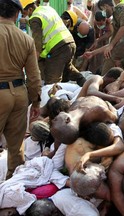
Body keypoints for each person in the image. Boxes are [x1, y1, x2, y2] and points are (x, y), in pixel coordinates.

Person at [0, 0, 42, 179]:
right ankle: (13, 188)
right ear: (17, 14)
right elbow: (34, 75)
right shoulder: (26, 39)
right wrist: (36, 102)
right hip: (19, 94)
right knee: (16, 148)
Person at [20, 0, 86, 86]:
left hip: (58, 47)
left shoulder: (35, 18)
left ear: (30, 9)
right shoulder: (46, 9)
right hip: (69, 42)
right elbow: (44, 24)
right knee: (67, 69)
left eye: (23, 12)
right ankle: (84, 82)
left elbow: (37, 43)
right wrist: (26, 21)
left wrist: (33, 61)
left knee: (52, 81)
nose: (23, 15)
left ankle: (53, 97)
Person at [50, 96, 118, 144]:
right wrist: (109, 104)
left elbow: (59, 136)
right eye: (55, 120)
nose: (53, 120)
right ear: (67, 120)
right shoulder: (96, 111)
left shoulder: (71, 110)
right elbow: (114, 117)